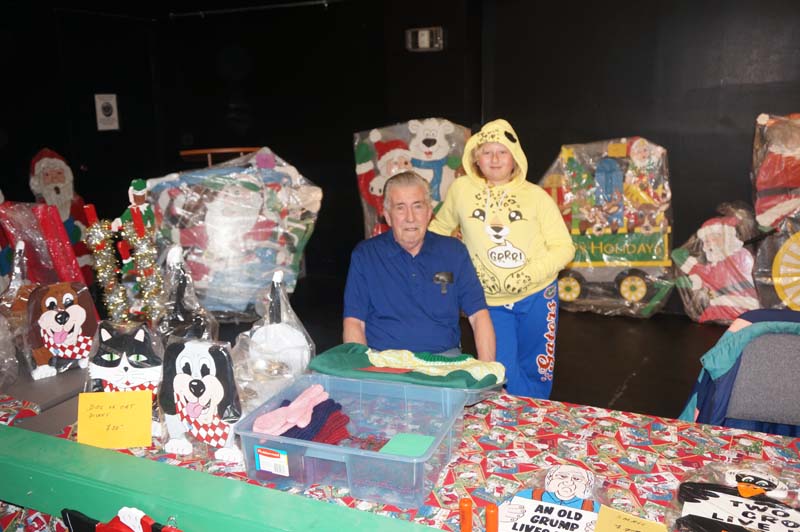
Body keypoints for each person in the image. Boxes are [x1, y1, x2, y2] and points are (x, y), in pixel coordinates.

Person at [428, 119, 575, 398]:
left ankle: (533, 419)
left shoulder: (537, 197)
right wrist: (445, 272)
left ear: (515, 158)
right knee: (501, 369)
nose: (495, 159)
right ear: (475, 157)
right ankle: (511, 419)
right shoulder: (461, 190)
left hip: (537, 296)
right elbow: (438, 231)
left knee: (537, 368)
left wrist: (529, 275)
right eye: (487, 152)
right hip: (489, 302)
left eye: (503, 152)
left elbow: (564, 247)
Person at [343, 171, 496, 361]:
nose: (410, 217)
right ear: (388, 216)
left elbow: (478, 315)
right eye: (400, 208)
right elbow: (354, 322)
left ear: (429, 212)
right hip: (383, 362)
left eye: (417, 206)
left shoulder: (453, 252)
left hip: (444, 361)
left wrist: (487, 370)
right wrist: (361, 373)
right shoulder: (365, 255)